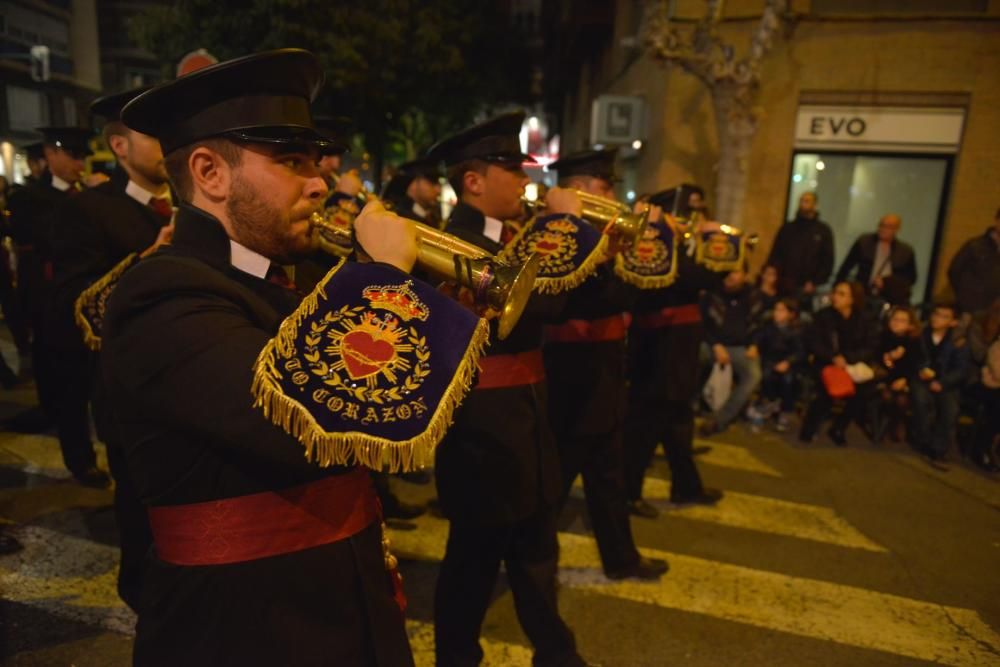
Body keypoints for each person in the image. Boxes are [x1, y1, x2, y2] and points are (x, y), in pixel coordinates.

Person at [102, 49, 421, 666]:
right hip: (242, 630)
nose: (321, 182)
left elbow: (396, 412)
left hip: (344, 603)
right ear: (210, 173)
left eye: (316, 161)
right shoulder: (163, 292)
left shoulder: (285, 278)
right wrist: (381, 278)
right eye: (292, 161)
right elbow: (308, 419)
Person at [428, 112, 587, 667]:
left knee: (538, 552)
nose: (523, 180)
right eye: (510, 169)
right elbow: (538, 299)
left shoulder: (508, 236)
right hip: (482, 428)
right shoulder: (451, 243)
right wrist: (564, 229)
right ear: (473, 181)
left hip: (526, 416)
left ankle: (557, 654)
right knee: (473, 562)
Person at [51, 85, 175, 605]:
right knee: (144, 531)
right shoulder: (90, 210)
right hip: (131, 394)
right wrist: (153, 257)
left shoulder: (191, 203)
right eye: (153, 132)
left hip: (194, 385)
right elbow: (78, 305)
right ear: (119, 146)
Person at [543, 148, 667, 581]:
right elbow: (594, 301)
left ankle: (621, 558)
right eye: (605, 186)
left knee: (608, 477)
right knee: (554, 484)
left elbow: (635, 296)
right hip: (572, 378)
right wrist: (611, 256)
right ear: (579, 189)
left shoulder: (603, 237)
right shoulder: (560, 237)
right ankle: (529, 561)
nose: (613, 194)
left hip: (607, 375)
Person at [624, 184, 724, 519]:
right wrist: (710, 244)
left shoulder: (677, 244)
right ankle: (628, 493)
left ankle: (686, 485)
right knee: (648, 423)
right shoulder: (658, 246)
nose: (691, 221)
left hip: (679, 346)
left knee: (678, 421)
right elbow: (702, 277)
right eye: (685, 214)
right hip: (661, 347)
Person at [5, 127, 94, 436]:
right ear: (51, 153)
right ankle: (53, 414)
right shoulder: (28, 197)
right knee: (52, 363)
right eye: (72, 156)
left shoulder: (85, 195)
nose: (79, 164)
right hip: (46, 298)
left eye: (83, 157)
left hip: (87, 298)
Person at [799, 281, 880, 446]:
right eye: (835, 292)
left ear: (852, 299)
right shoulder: (823, 316)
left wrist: (849, 358)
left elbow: (870, 346)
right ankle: (809, 428)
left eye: (842, 294)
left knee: (864, 390)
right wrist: (833, 357)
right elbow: (814, 342)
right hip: (827, 362)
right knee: (826, 388)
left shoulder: (864, 320)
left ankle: (839, 428)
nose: (835, 297)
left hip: (852, 364)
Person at [699, 268, 765, 435]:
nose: (730, 276)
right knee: (694, 357)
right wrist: (716, 345)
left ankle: (719, 419)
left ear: (744, 275)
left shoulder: (753, 296)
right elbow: (703, 324)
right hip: (712, 344)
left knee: (753, 375)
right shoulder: (711, 294)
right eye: (728, 272)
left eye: (736, 272)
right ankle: (686, 407)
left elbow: (758, 323)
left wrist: (754, 344)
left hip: (740, 347)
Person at [909, 302, 971, 463]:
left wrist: (943, 382)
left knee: (950, 409)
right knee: (920, 400)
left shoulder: (958, 341)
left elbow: (961, 369)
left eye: (944, 316)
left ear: (953, 322)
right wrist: (921, 370)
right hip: (922, 378)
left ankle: (938, 447)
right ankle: (924, 440)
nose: (937, 319)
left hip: (946, 382)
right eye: (936, 314)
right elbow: (912, 357)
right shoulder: (921, 333)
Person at [766, 192, 834, 306]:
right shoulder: (787, 229)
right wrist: (772, 277)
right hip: (784, 284)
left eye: (807, 201)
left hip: (806, 286)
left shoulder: (823, 231)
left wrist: (815, 282)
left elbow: (827, 260)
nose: (804, 204)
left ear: (815, 204)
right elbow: (775, 254)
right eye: (802, 200)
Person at [836, 214, 917, 305]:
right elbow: (846, 266)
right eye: (881, 225)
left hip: (891, 297)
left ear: (897, 229)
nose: (883, 229)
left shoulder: (905, 251)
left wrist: (887, 282)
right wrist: (838, 288)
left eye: (888, 227)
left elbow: (910, 278)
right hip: (864, 293)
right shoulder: (864, 242)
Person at [750, 298, 805, 433]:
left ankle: (785, 410)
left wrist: (788, 362)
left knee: (788, 380)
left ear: (791, 314)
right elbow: (759, 338)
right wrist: (754, 346)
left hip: (788, 362)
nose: (776, 313)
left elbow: (800, 351)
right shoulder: (769, 328)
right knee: (767, 376)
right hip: (769, 360)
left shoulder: (796, 331)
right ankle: (770, 403)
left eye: (781, 310)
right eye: (776, 310)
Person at [875, 305, 924, 444]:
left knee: (902, 400)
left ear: (910, 325)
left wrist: (904, 379)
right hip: (885, 377)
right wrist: (889, 358)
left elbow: (915, 365)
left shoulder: (914, 342)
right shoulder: (882, 337)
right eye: (895, 319)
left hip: (905, 380)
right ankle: (884, 427)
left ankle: (896, 424)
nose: (897, 323)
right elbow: (877, 360)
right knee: (887, 396)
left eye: (902, 320)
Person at [947, 208, 1000, 316]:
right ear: (996, 220)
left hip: (995, 311)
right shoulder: (975, 245)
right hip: (969, 307)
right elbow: (954, 271)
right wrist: (966, 295)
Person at [381, 157, 443, 226]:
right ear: (414, 183)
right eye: (433, 181)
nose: (439, 190)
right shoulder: (399, 218)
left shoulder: (433, 217)